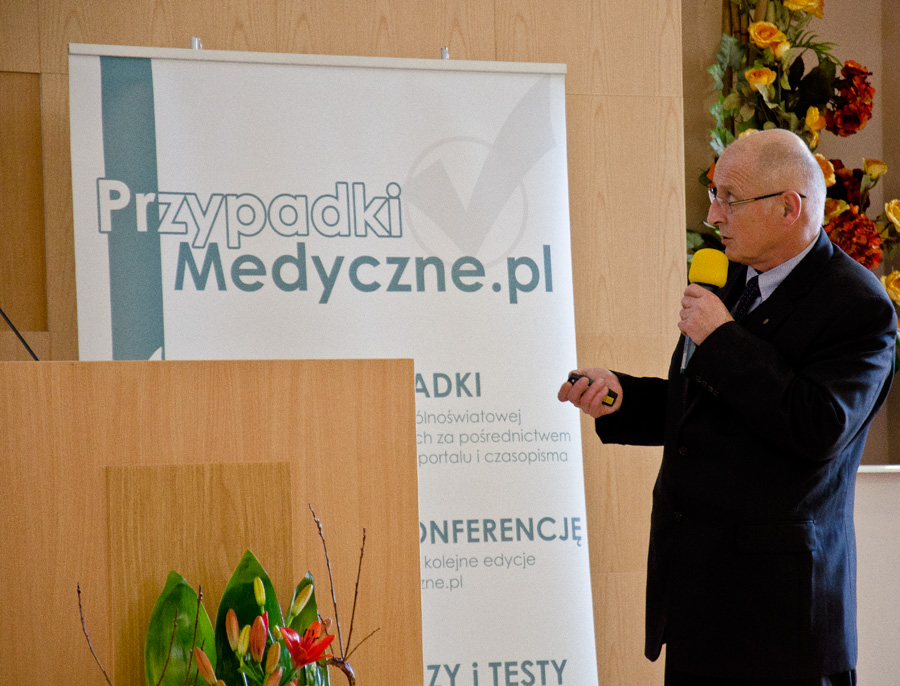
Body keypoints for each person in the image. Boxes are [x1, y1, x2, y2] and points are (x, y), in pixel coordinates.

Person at [559, 128, 897, 685]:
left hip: (783, 620)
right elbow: (705, 404)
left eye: (730, 198)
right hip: (697, 602)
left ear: (789, 207)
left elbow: (818, 426)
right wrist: (622, 397)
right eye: (714, 194)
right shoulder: (731, 277)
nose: (713, 215)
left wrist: (722, 339)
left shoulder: (858, 304)